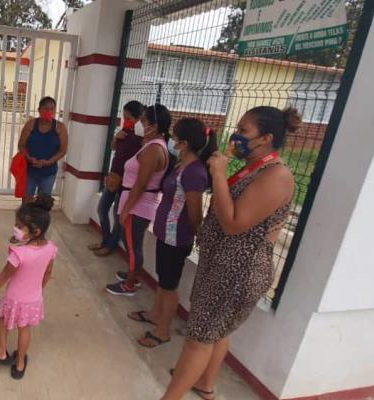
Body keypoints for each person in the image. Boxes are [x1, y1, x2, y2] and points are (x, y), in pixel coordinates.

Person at [163, 107, 298, 400]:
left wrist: (219, 174)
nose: (236, 135)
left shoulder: (277, 175)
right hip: (221, 266)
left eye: (243, 130)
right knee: (217, 331)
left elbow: (234, 224)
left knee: (198, 339)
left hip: (237, 272)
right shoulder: (254, 167)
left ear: (266, 138)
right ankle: (204, 384)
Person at [129, 118, 215, 348]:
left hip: (177, 237)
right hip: (166, 233)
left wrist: (197, 235)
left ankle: (163, 330)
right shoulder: (182, 165)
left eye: (175, 138)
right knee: (163, 280)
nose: (172, 141)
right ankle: (155, 314)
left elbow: (195, 213)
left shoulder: (194, 172)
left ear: (184, 143)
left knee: (169, 286)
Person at [0, 194, 58, 380]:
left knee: (3, 321)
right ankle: (21, 363)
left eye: (20, 226)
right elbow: (47, 274)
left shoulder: (18, 253)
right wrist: (38, 290)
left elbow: (3, 276)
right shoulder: (51, 249)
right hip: (33, 299)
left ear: (36, 231)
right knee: (25, 329)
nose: (16, 229)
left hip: (13, 298)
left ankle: (1, 353)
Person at [106, 104, 172, 297]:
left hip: (139, 205)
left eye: (143, 121)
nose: (139, 124)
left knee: (133, 247)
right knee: (132, 244)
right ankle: (132, 275)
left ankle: (129, 285)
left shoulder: (154, 149)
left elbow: (141, 183)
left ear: (154, 125)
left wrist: (126, 208)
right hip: (138, 202)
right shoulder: (151, 145)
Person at [88, 100, 145, 257]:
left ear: (139, 118)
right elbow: (114, 148)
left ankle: (111, 245)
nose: (125, 120)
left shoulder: (142, 138)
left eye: (129, 117)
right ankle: (105, 240)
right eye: (124, 116)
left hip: (127, 182)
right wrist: (116, 137)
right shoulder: (125, 131)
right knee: (102, 209)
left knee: (117, 214)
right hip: (114, 177)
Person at [17, 97, 69, 201]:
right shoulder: (31, 124)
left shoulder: (60, 128)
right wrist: (29, 158)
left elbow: (63, 150)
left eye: (52, 109)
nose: (49, 112)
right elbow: (21, 145)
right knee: (26, 202)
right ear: (39, 110)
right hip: (29, 171)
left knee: (43, 204)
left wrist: (48, 162)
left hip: (48, 173)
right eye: (46, 109)